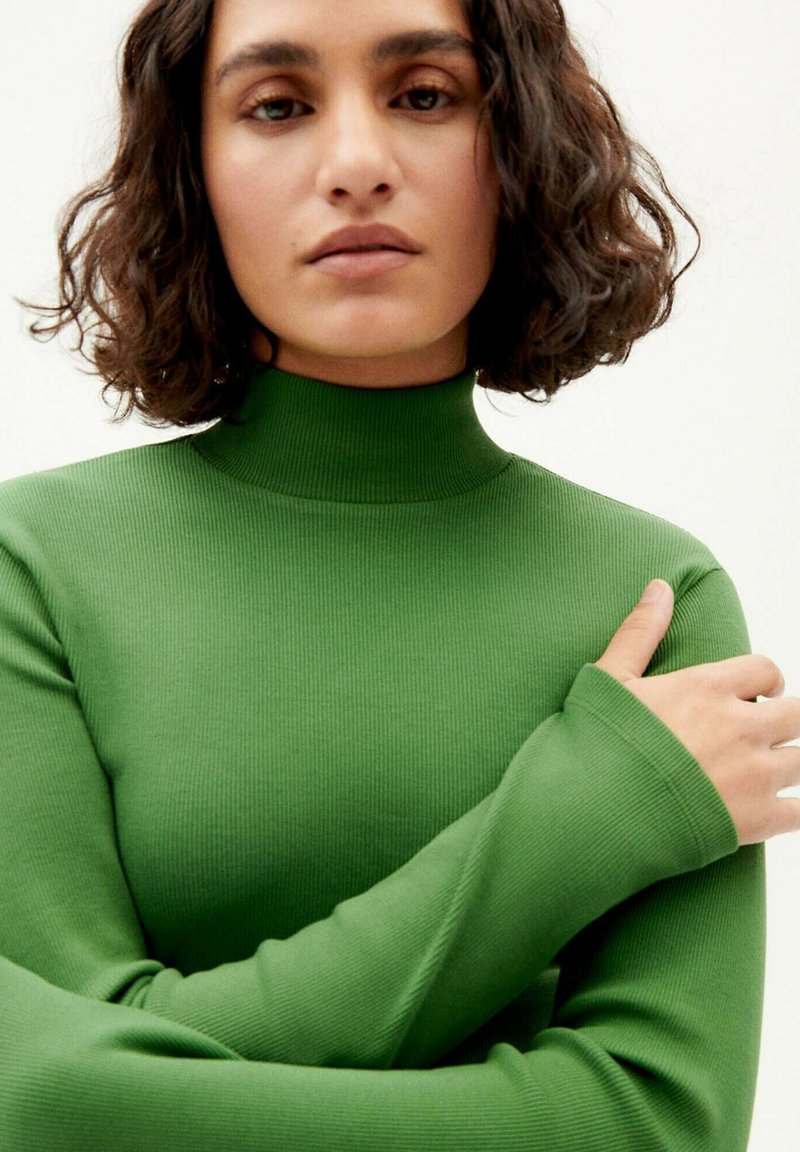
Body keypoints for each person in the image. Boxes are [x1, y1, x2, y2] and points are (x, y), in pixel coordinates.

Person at [0, 0, 798, 1148]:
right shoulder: (31, 567)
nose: (356, 165)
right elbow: (39, 1109)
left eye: (423, 95)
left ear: (516, 143)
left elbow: (655, 1125)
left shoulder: (654, 595)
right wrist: (577, 819)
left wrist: (135, 1093)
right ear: (193, 168)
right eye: (276, 106)